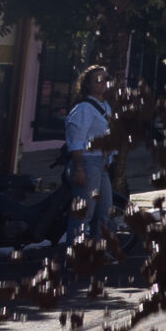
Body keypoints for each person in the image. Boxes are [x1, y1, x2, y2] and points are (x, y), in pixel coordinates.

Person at [62, 65, 116, 249]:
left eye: (105, 78)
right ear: (88, 85)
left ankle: (98, 251)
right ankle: (76, 253)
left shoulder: (106, 106)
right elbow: (76, 140)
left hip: (101, 164)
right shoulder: (84, 108)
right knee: (84, 213)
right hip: (86, 162)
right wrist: (78, 167)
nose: (103, 83)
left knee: (105, 211)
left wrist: (109, 159)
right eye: (97, 80)